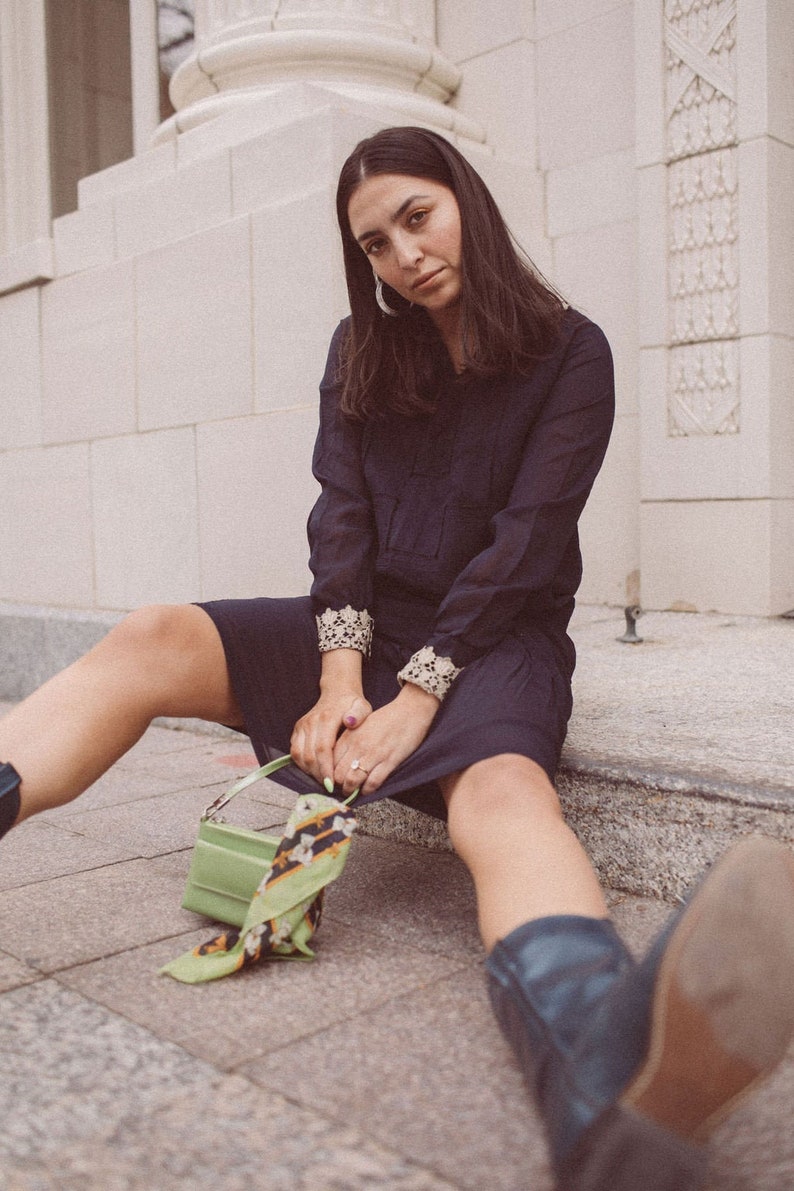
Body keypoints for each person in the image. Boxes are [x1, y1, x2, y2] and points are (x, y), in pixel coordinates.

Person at [1, 126, 792, 1190]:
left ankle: (603, 1074)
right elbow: (344, 519)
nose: (402, 254)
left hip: (495, 638)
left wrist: (416, 698)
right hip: (364, 626)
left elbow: (529, 541)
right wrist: (338, 680)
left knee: (506, 794)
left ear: (463, 196)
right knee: (156, 632)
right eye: (373, 243)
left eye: (416, 217)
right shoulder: (360, 349)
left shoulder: (570, 350)